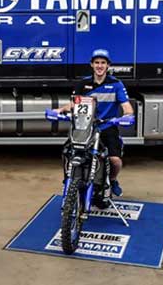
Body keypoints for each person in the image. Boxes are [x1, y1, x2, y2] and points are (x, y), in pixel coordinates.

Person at [56, 49, 134, 197]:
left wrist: (127, 116)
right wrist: (59, 110)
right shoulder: (83, 83)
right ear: (91, 64)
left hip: (107, 126)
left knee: (115, 161)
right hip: (86, 127)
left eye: (103, 63)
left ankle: (112, 180)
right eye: (97, 62)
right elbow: (74, 104)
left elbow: (127, 107)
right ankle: (68, 178)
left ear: (108, 65)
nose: (99, 66)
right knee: (67, 152)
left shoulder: (116, 84)